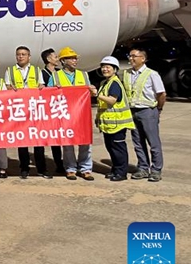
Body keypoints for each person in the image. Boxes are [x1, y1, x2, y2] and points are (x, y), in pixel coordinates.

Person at [48, 47, 98, 181]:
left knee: (85, 142)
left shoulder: (84, 75)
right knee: (68, 143)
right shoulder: (56, 75)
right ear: (63, 61)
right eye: (71, 58)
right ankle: (70, 169)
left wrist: (93, 91)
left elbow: (89, 92)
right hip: (65, 114)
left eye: (75, 58)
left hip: (82, 113)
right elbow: (48, 94)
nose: (75, 60)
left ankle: (85, 168)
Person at [4, 46, 49, 179]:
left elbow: (41, 85)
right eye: (18, 54)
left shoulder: (36, 70)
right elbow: (7, 87)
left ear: (29, 56)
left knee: (38, 141)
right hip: (19, 110)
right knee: (22, 141)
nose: (21, 57)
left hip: (34, 109)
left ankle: (42, 169)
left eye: (24, 54)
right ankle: (24, 168)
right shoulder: (10, 70)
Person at [123, 48, 166, 182]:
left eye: (134, 56)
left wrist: (158, 108)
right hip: (132, 110)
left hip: (147, 111)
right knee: (138, 142)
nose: (131, 59)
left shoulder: (152, 74)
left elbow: (161, 94)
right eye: (130, 56)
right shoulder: (126, 73)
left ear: (143, 58)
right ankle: (143, 168)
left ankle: (156, 170)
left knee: (153, 142)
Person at [96, 56, 134, 182]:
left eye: (108, 67)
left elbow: (112, 100)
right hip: (108, 124)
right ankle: (116, 169)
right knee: (111, 148)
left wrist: (98, 95)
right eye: (103, 67)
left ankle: (121, 173)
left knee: (118, 149)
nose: (104, 69)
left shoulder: (115, 83)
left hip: (117, 124)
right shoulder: (105, 83)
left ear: (115, 69)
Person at [39, 48, 65, 174]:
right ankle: (42, 167)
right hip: (44, 111)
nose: (57, 59)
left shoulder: (60, 72)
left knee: (57, 140)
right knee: (42, 139)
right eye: (55, 57)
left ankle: (60, 165)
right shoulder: (41, 74)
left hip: (57, 110)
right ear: (48, 59)